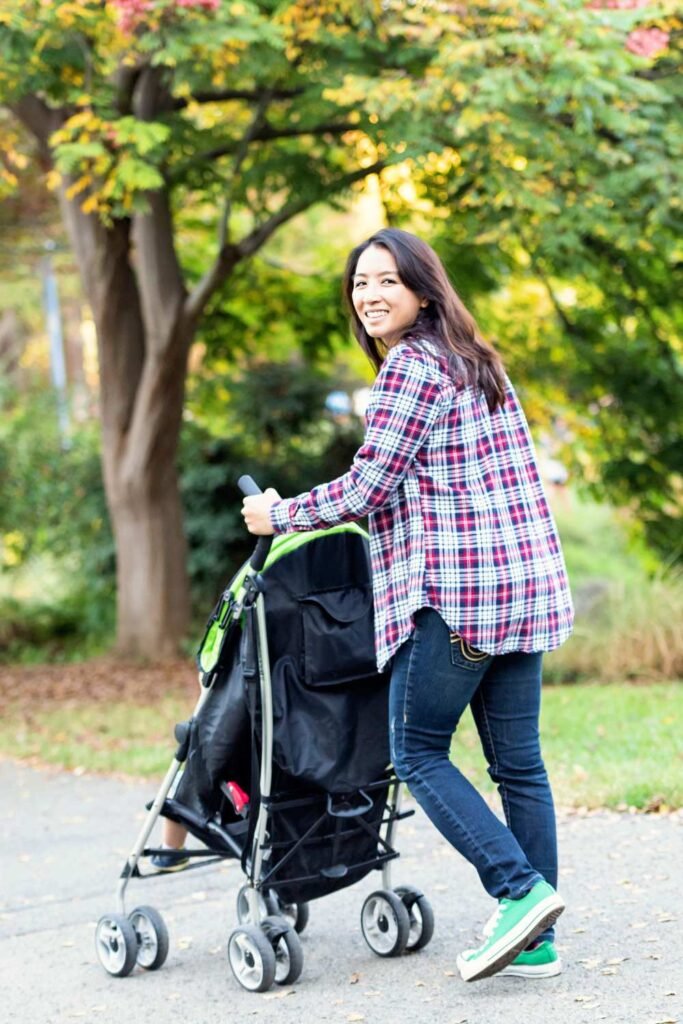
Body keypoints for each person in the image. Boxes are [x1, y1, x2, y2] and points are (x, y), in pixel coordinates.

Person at [241, 228, 574, 983]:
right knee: (517, 765)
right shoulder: (477, 363)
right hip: (522, 587)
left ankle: (518, 893)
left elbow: (366, 489)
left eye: (387, 281)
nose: (370, 295)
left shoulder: (410, 369)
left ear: (423, 290)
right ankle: (539, 941)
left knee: (415, 751)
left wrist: (278, 514)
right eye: (360, 283)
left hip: (457, 594)